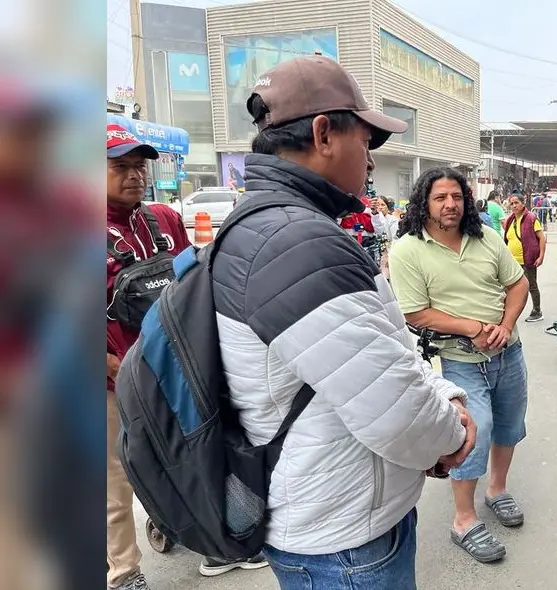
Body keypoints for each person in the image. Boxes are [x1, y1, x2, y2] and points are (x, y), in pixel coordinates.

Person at [210, 55, 476, 589]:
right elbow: (394, 410)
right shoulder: (296, 244)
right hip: (345, 540)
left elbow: (382, 348)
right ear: (324, 132)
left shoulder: (272, 225)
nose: (372, 161)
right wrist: (451, 435)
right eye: (367, 141)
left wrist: (442, 396)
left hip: (331, 516)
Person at [106, 124, 269, 588]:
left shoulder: (163, 219)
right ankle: (124, 572)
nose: (134, 175)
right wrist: (117, 369)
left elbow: (192, 286)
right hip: (108, 380)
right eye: (120, 167)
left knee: (183, 456)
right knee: (115, 479)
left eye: (139, 166)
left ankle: (177, 523)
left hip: (172, 372)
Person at [389, 167, 530, 565]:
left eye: (457, 196)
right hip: (460, 360)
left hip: (509, 352)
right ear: (424, 203)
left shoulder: (485, 236)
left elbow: (517, 284)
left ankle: (497, 491)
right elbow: (414, 312)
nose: (450, 204)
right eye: (440, 198)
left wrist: (505, 325)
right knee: (472, 431)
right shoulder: (408, 250)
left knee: (509, 424)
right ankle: (463, 520)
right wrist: (471, 328)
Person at [502, 194, 547, 322]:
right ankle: (507, 310)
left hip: (527, 260)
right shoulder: (510, 220)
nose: (514, 206)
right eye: (512, 203)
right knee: (508, 286)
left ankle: (537, 311)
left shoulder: (531, 218)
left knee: (531, 285)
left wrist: (541, 256)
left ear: (523, 203)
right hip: (512, 261)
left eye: (516, 203)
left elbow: (541, 238)